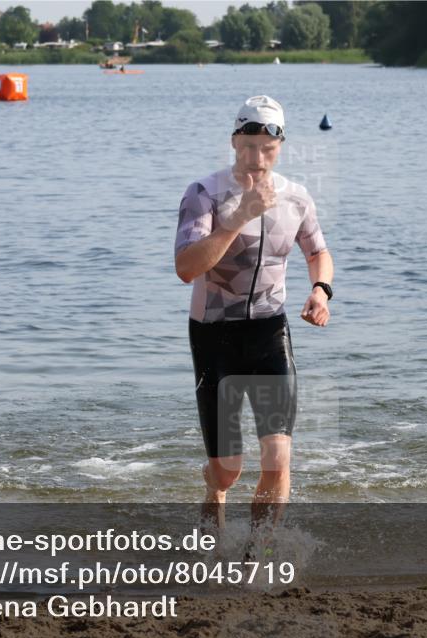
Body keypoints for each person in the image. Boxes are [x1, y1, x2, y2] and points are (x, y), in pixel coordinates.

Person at [174, 95, 334, 557]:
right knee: (228, 470)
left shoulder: (297, 197)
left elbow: (318, 252)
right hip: (214, 336)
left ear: (281, 145)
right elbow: (187, 267)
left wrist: (321, 290)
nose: (257, 158)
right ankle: (214, 489)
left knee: (279, 455)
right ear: (233, 142)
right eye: (247, 146)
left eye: (267, 147)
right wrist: (240, 216)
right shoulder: (203, 194)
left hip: (269, 331)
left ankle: (255, 554)